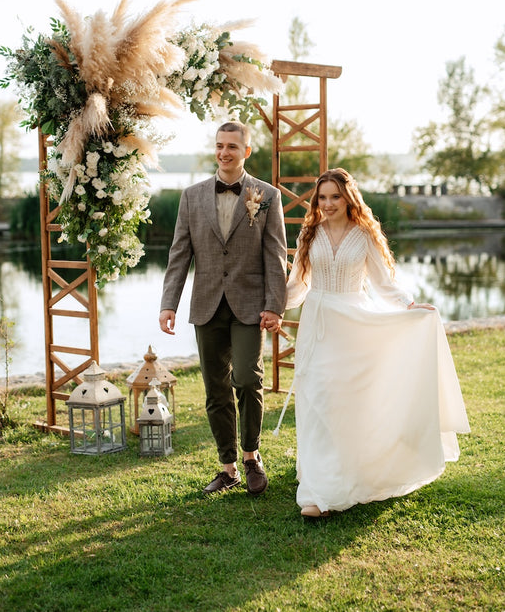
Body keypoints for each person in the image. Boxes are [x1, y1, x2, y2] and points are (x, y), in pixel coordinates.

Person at [285, 168, 470, 518]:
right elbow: (299, 286)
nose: (327, 204)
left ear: (348, 198)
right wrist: (272, 301)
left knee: (345, 401)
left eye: (334, 197)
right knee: (318, 397)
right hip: (318, 325)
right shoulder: (309, 234)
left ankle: (340, 480)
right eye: (322, 197)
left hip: (353, 325)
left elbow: (385, 285)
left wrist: (409, 306)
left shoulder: (364, 235)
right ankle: (318, 490)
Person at [159, 121, 287, 495]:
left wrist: (274, 306)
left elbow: (276, 255)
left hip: (250, 305)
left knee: (247, 379)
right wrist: (169, 303)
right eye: (219, 146)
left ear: (247, 151)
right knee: (215, 389)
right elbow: (179, 253)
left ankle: (252, 457)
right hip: (207, 305)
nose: (224, 152)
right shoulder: (191, 196)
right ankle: (228, 467)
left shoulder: (267, 196)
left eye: (232, 146)